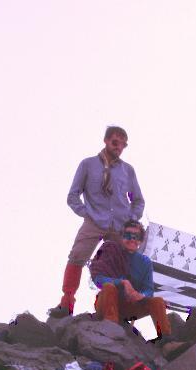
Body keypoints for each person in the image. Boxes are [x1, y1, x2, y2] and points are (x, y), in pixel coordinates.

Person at [48, 125, 146, 318]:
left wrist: (132, 221)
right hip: (94, 221)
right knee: (77, 256)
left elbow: (138, 200)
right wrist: (87, 213)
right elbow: (73, 196)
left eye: (123, 145)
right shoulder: (88, 165)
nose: (119, 147)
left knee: (122, 266)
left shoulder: (128, 171)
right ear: (106, 141)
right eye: (115, 142)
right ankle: (66, 303)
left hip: (120, 225)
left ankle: (110, 307)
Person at [89, 220, 171, 339]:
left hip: (129, 308)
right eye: (128, 235)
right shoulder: (111, 250)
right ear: (122, 237)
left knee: (157, 301)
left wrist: (140, 295)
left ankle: (166, 341)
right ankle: (111, 328)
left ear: (140, 240)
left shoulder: (145, 262)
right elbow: (98, 279)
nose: (132, 239)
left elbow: (148, 290)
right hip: (106, 303)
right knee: (109, 287)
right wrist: (122, 282)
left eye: (136, 236)